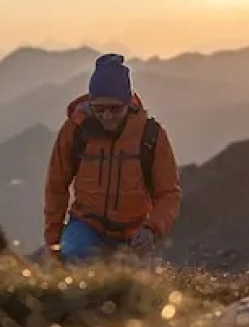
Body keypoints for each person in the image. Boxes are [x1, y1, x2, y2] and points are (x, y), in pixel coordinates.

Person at [43, 53, 181, 263]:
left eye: (114, 109)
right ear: (91, 103)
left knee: (134, 291)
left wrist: (151, 229)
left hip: (134, 234)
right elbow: (56, 186)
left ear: (128, 103)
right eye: (99, 109)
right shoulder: (76, 131)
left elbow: (168, 194)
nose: (107, 115)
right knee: (74, 261)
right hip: (86, 226)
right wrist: (54, 243)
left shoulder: (151, 137)